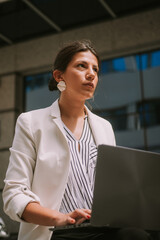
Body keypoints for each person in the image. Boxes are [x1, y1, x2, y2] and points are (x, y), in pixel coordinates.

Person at [2, 40, 153, 240]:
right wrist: (60, 218)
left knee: (138, 236)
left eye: (95, 69)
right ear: (59, 76)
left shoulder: (104, 127)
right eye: (82, 66)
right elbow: (14, 194)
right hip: (56, 231)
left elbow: (113, 190)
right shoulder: (31, 122)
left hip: (102, 228)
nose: (91, 73)